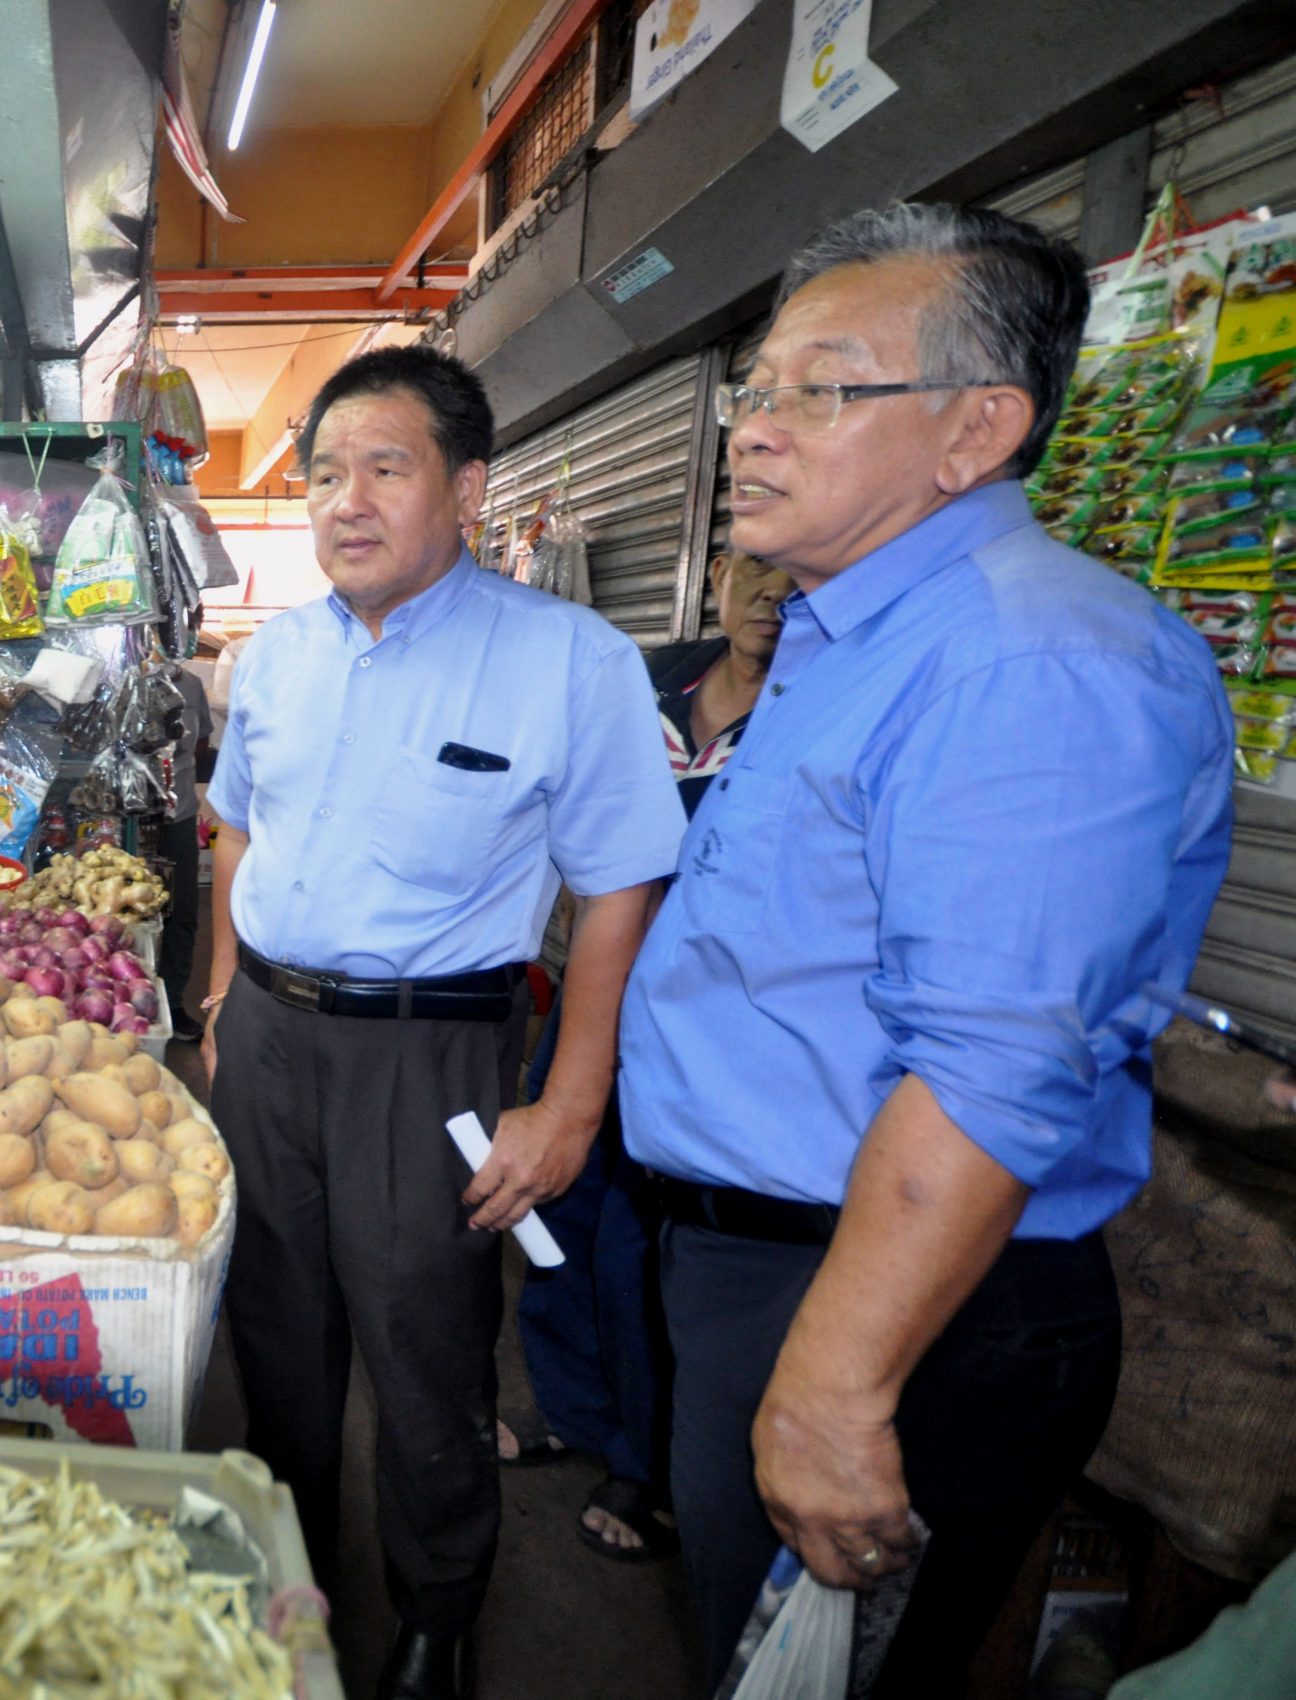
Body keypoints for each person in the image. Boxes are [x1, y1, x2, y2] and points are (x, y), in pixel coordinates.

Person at [618, 203, 1233, 1696]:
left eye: (818, 390)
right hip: (768, 1266)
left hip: (899, 1305)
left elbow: (990, 1065)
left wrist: (838, 1385)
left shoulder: (1033, 661)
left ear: (977, 432)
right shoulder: (856, 639)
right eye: (753, 392)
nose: (752, 433)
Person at [198, 344, 684, 1700]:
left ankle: (437, 1610)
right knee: (278, 1337)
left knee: (424, 1347)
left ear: (468, 487)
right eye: (324, 475)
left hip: (434, 1055)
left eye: (384, 469)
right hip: (274, 1043)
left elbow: (617, 889)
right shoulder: (279, 657)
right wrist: (224, 991)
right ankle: (299, 1579)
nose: (344, 502)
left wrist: (572, 1102)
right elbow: (235, 827)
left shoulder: (569, 662)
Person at [510, 548, 793, 1563]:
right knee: (552, 1208)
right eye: (754, 569)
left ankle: (646, 1457)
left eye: (796, 574)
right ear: (718, 571)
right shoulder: (648, 679)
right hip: (594, 1002)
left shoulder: (815, 709)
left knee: (642, 1247)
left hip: (702, 1033)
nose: (772, 593)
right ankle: (567, 1404)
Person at [159, 638, 213, 1040]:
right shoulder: (119, 677)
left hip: (178, 815)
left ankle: (172, 1004)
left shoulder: (192, 685)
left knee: (183, 912)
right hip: (124, 814)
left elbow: (199, 745)